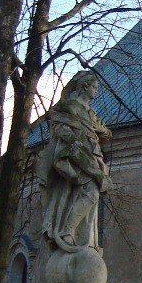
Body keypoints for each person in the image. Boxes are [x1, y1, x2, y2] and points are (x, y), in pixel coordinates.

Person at [38, 71, 112, 253]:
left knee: (91, 196)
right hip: (76, 157)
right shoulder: (70, 107)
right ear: (84, 86)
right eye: (94, 87)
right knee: (90, 193)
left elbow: (106, 133)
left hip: (92, 156)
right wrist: (75, 141)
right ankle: (66, 232)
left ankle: (85, 240)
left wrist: (100, 130)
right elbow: (60, 128)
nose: (96, 91)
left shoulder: (90, 112)